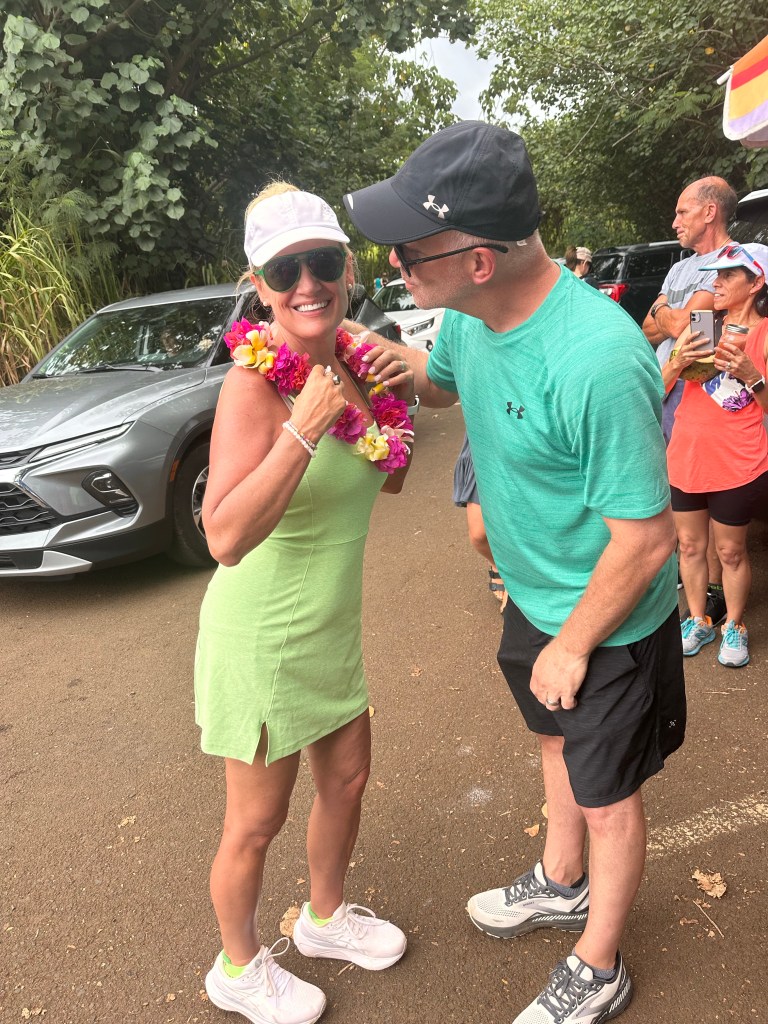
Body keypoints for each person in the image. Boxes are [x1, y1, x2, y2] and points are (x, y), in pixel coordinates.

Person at [342, 121, 685, 1024]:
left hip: (606, 617)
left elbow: (647, 540)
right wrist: (396, 366)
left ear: (478, 259)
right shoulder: (470, 313)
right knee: (553, 739)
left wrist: (574, 644)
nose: (394, 264)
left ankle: (599, 965)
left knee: (609, 796)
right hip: (532, 594)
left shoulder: (597, 359)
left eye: (409, 249)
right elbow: (444, 382)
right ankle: (562, 881)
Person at [195, 183, 415, 1024]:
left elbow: (388, 476)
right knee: (256, 822)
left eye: (321, 262)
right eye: (285, 271)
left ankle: (323, 919)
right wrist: (303, 428)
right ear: (260, 286)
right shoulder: (254, 388)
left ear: (348, 268)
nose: (307, 284)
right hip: (263, 635)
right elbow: (223, 536)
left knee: (348, 781)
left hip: (330, 626)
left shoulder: (358, 364)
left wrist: (390, 399)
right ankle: (238, 968)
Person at [662, 242, 768, 667]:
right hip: (686, 455)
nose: (716, 283)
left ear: (757, 282)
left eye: (728, 275)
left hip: (737, 462)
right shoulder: (702, 328)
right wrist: (677, 362)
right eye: (716, 275)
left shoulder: (764, 333)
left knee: (731, 552)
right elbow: (656, 388)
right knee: (689, 546)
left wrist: (752, 375)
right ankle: (698, 619)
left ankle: (735, 624)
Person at [642, 177, 738, 625]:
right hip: (665, 386)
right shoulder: (681, 267)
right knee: (678, 491)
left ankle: (715, 591)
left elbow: (687, 327)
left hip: (702, 394)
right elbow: (649, 327)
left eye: (683, 211)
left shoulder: (734, 264)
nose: (675, 221)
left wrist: (664, 313)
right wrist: (669, 316)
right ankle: (692, 574)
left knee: (707, 494)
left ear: (709, 212)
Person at [453, 432, 508, 610]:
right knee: (479, 535)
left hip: (527, 434)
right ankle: (498, 565)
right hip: (486, 435)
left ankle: (515, 581)